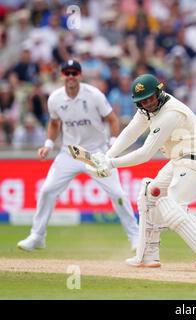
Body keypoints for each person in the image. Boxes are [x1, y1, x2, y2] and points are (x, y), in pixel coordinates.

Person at [86, 74, 196, 269]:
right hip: (180, 158)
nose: (148, 103)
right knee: (150, 193)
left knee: (172, 204)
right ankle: (147, 256)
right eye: (142, 101)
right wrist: (105, 156)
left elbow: (145, 154)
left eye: (150, 98)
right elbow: (130, 132)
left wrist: (111, 164)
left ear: (159, 92)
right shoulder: (146, 109)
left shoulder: (171, 113)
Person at [17, 60, 139, 251]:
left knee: (117, 194)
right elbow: (54, 123)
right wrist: (48, 144)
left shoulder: (93, 95)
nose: (71, 76)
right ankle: (37, 236)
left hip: (96, 152)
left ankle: (136, 238)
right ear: (62, 75)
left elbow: (112, 119)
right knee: (48, 190)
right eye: (67, 73)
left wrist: (112, 144)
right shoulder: (55, 99)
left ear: (80, 75)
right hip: (70, 152)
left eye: (74, 73)